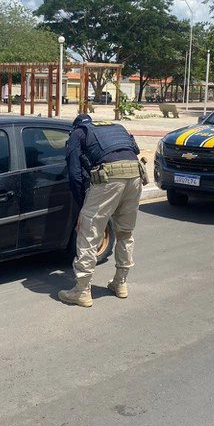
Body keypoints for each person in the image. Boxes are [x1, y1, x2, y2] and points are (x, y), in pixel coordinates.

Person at [59, 113, 146, 307]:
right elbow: (134, 149)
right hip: (135, 174)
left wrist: (83, 207)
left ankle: (81, 291)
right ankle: (120, 283)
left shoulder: (78, 134)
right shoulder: (115, 128)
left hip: (109, 178)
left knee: (88, 233)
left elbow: (74, 174)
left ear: (75, 127)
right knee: (125, 233)